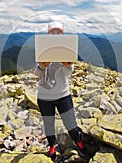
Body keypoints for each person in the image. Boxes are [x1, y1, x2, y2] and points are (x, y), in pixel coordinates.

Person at [34, 21, 87, 161]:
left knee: (71, 125)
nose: (55, 34)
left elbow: (69, 73)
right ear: (48, 34)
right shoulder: (43, 49)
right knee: (49, 125)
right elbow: (37, 75)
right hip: (44, 97)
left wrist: (68, 66)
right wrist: (41, 66)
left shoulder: (67, 50)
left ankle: (79, 142)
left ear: (63, 34)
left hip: (63, 95)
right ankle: (52, 145)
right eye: (52, 32)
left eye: (58, 31)